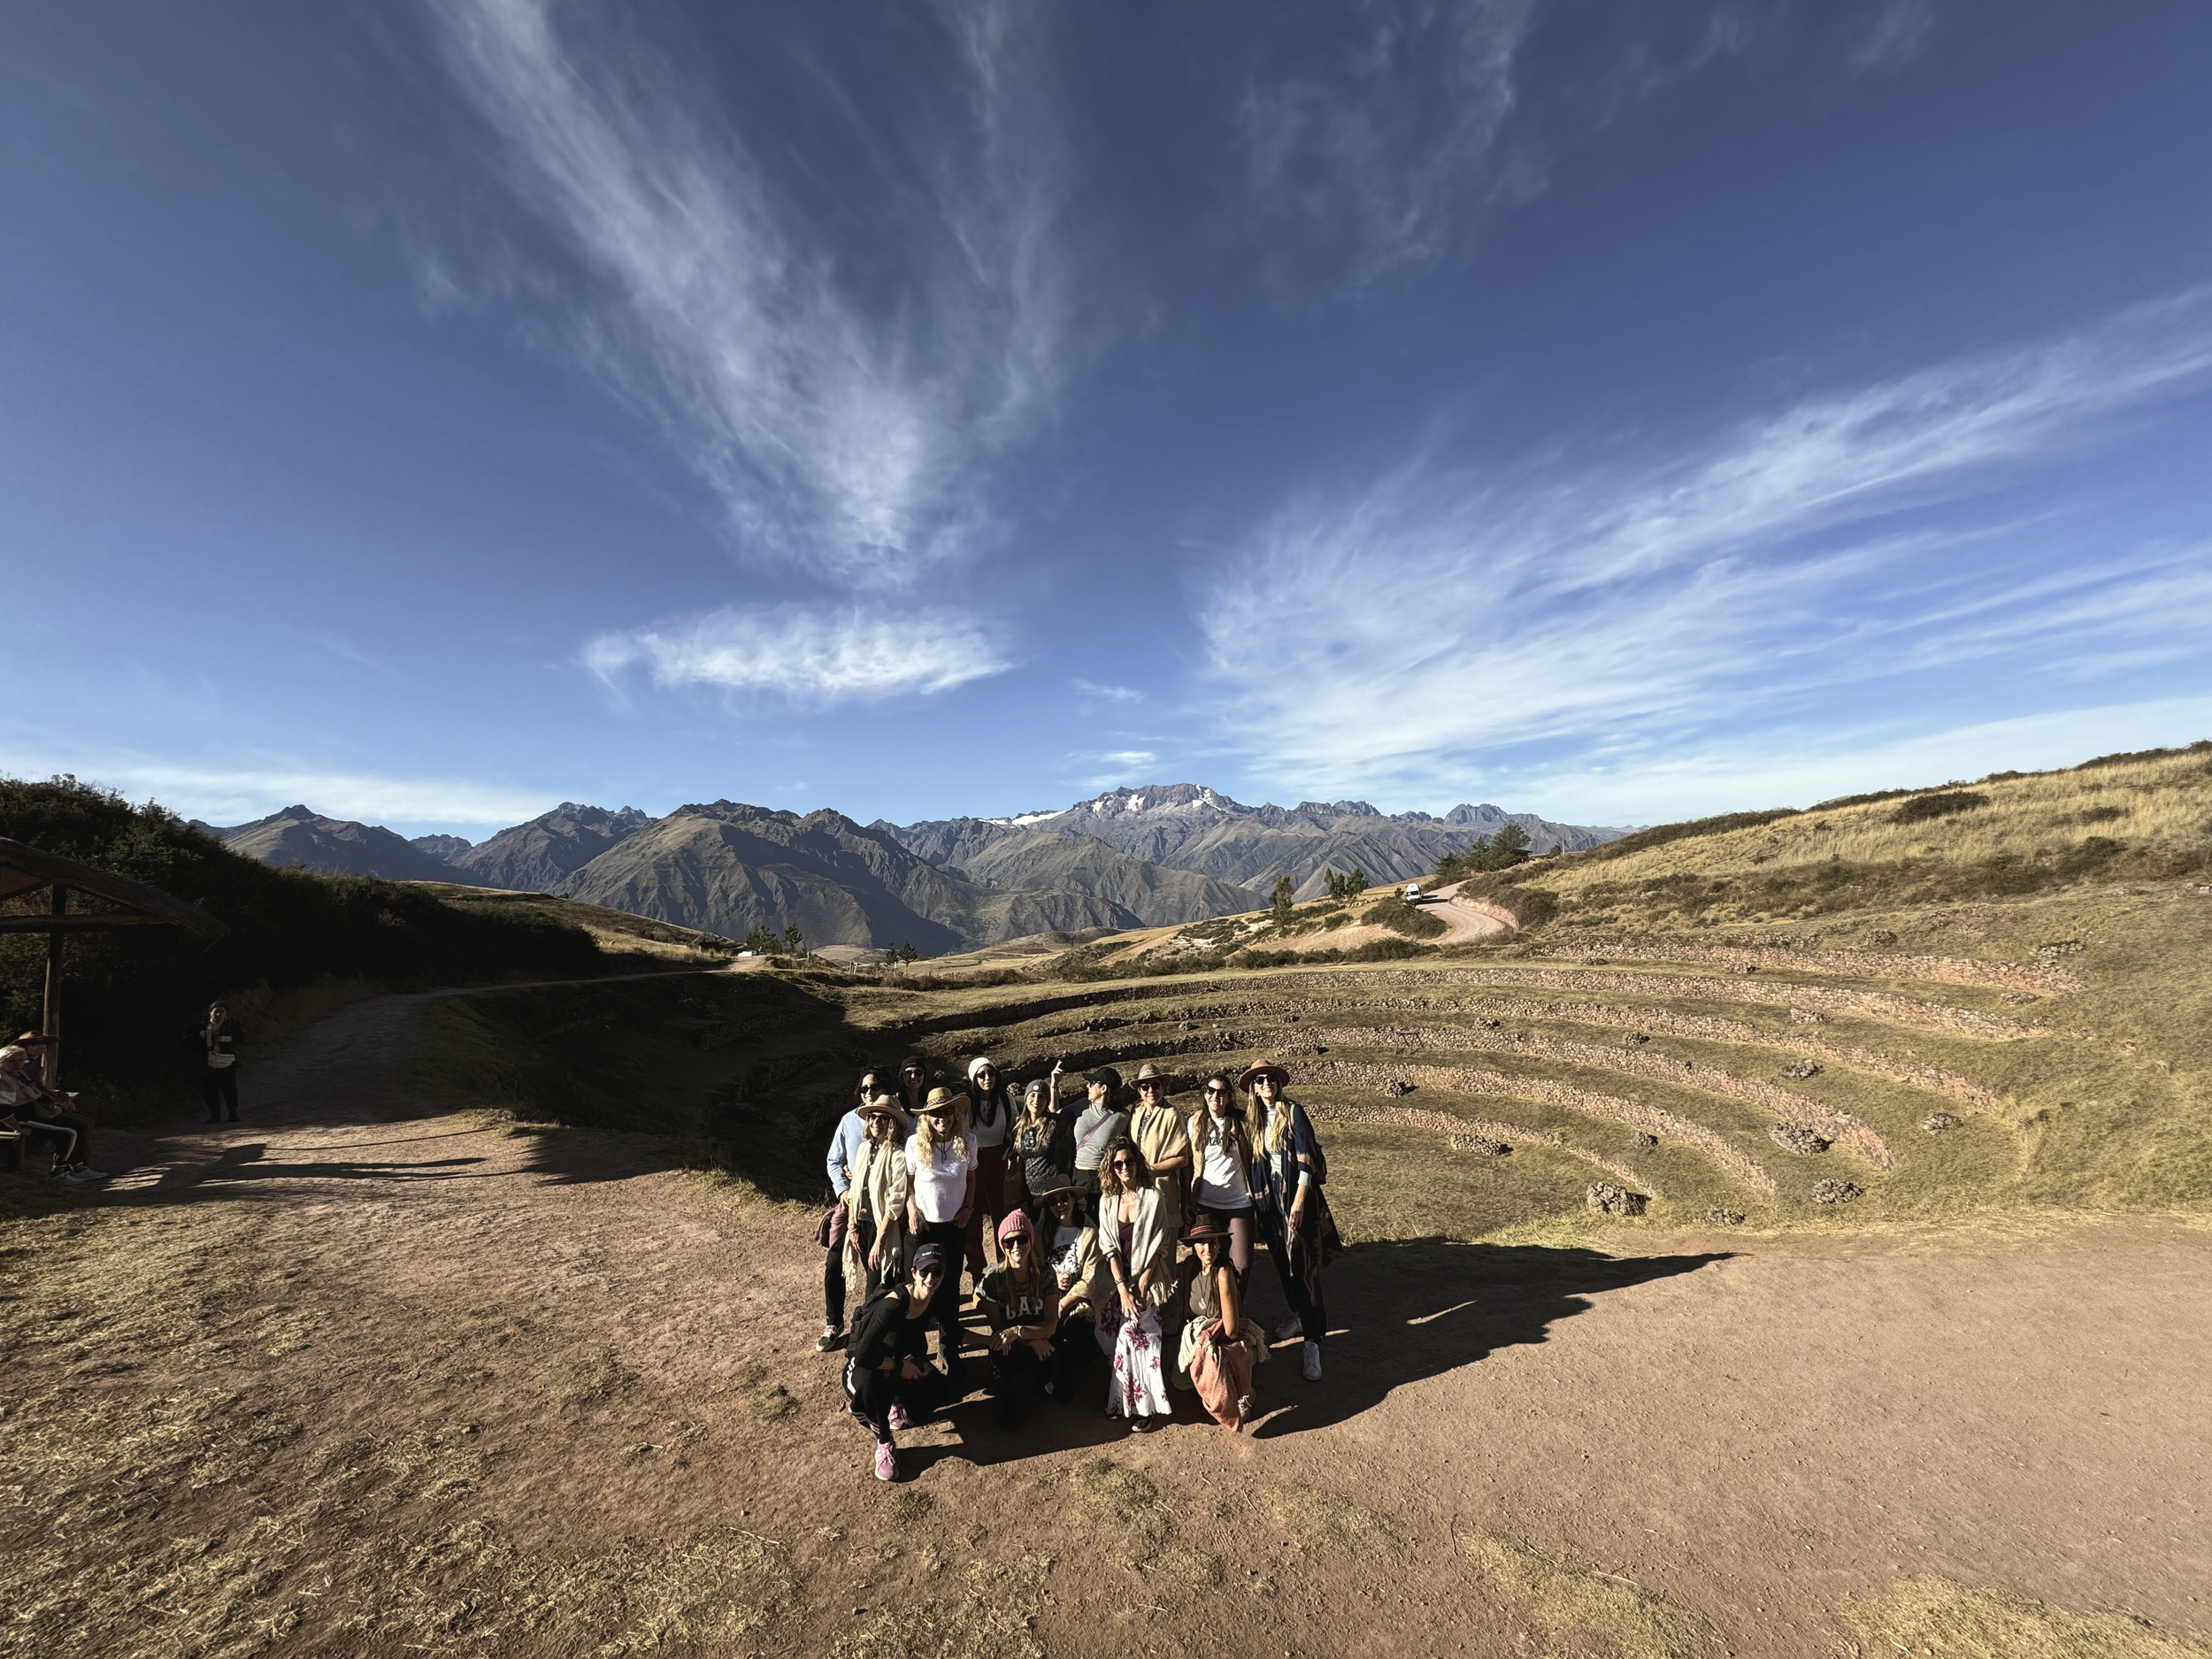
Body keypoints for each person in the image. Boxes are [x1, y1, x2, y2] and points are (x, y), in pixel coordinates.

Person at [1242, 1061, 1341, 1384]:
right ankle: (1298, 1314)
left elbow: (1307, 1159)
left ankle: (1313, 1339)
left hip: (1296, 1197)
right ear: (1254, 1087)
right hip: (1269, 1200)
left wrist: (1299, 1202)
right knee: (1282, 1261)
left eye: (1271, 1078)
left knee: (1304, 1265)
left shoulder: (1292, 1111)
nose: (1267, 1083)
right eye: (1261, 1080)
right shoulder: (1253, 1121)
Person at [843, 1241, 953, 1482]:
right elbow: (863, 1354)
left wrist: (995, 1339)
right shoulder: (893, 1304)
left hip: (898, 1362)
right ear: (913, 1273)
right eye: (924, 1271)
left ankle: (897, 1405)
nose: (931, 1278)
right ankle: (884, 1442)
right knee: (869, 1384)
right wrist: (899, 1366)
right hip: (866, 1363)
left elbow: (955, 1331)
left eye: (938, 1271)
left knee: (941, 1389)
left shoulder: (934, 1297)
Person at [1096, 1135, 1173, 1432]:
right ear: (1111, 1169)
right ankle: (1120, 1398)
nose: (1124, 1167)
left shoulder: (1154, 1199)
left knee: (1136, 1336)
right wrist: (1121, 1289)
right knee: (1105, 1333)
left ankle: (1145, 1407)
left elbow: (1160, 1247)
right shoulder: (1106, 1202)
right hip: (1116, 1281)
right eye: (1118, 1163)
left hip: (1148, 1279)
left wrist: (1139, 1286)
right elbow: (1109, 1249)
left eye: (1129, 1161)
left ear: (1137, 1163)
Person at [903, 1086, 977, 1377]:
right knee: (918, 1291)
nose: (942, 1117)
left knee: (949, 1290)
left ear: (955, 1113)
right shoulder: (914, 1144)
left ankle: (950, 1351)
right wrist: (911, 1209)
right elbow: (909, 1181)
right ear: (927, 1117)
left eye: (947, 1111)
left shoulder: (968, 1141)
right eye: (935, 1112)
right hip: (923, 1228)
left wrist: (969, 1209)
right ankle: (917, 1354)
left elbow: (972, 1177)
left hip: (953, 1226)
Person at [1172, 1218, 1267, 1431]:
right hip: (1201, 1335)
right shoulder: (1190, 1266)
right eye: (1202, 1243)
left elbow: (1232, 1330)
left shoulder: (1223, 1274)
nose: (1208, 1249)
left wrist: (1206, 1341)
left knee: (1212, 1372)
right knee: (1181, 1381)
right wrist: (1190, 1341)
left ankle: (1243, 1391)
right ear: (1193, 1246)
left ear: (1220, 1244)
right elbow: (1186, 1312)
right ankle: (1213, 1385)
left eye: (1213, 1243)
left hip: (1225, 1339)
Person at [819, 1067, 889, 1351]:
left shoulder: (895, 1120)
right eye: (864, 1089)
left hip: (880, 1207)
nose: (869, 1092)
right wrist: (843, 1190)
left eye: (874, 1087)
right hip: (851, 1204)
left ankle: (867, 1330)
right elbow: (834, 1160)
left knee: (876, 1268)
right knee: (834, 1265)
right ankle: (833, 1323)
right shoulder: (848, 1121)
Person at [974, 1210, 1060, 1427]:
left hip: (1037, 1337)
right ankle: (1007, 1398)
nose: (1016, 1246)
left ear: (1030, 1239)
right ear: (1002, 1245)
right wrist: (1031, 1339)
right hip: (1017, 1344)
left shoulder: (1047, 1273)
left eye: (1021, 1238)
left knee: (1063, 1391)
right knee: (997, 1349)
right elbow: (1000, 1330)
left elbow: (1051, 1324)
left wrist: (1020, 1331)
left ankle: (1045, 1380)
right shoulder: (993, 1280)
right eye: (1009, 1241)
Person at [0, 1036, 104, 1184]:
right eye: (11, 1061)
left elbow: (36, 1092)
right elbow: (2, 1111)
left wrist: (57, 1098)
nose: (17, 1064)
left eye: (20, 1061)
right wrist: (18, 1128)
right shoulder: (2, 1079)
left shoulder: (17, 1074)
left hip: (32, 1112)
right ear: (1, 1062)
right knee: (69, 1132)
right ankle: (58, 1174)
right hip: (21, 1117)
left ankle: (78, 1168)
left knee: (79, 1126)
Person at [1187, 1071, 1259, 1283]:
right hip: (1205, 1203)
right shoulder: (1195, 1122)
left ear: (1228, 1097)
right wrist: (1186, 1200)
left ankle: (1234, 1312)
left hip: (1239, 1202)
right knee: (1208, 1263)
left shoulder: (1242, 1122)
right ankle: (1212, 1311)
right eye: (1210, 1091)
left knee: (1241, 1264)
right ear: (1204, 1094)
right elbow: (1189, 1162)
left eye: (1221, 1092)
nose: (1215, 1096)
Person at [842, 1094, 911, 1310]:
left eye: (883, 1118)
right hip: (860, 1225)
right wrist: (851, 1226)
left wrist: (880, 1241)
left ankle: (862, 1336)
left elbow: (895, 1202)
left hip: (881, 1228)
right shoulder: (863, 1149)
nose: (875, 1122)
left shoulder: (898, 1155)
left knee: (874, 1291)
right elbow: (854, 1190)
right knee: (878, 1285)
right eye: (872, 1117)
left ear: (892, 1124)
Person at [1036, 1181, 1102, 1397]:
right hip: (1047, 1295)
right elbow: (1034, 1266)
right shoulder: (1041, 1231)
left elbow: (1091, 1277)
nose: (1059, 1205)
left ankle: (1084, 1357)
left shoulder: (1089, 1232)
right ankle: (1054, 1377)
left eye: (1064, 1198)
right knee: (1046, 1328)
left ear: (1074, 1199)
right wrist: (1053, 1279)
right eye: (1053, 1202)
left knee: (1073, 1324)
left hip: (1077, 1300)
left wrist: (1064, 1302)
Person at [1128, 1064, 1193, 1246]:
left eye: (1155, 1086)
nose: (1151, 1091)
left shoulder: (1171, 1114)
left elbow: (1183, 1157)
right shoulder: (1136, 1111)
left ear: (1163, 1088)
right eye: (1145, 1087)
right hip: (1137, 1186)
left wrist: (1150, 1169)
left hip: (1161, 1187)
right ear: (1139, 1091)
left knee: (1163, 1246)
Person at [963, 1057, 1014, 1281]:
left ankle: (1007, 1266)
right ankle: (976, 1272)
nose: (987, 1079)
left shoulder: (1005, 1099)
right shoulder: (965, 1103)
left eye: (990, 1074)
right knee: (972, 1218)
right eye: (981, 1075)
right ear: (974, 1078)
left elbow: (1015, 1127)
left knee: (1002, 1215)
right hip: (973, 1163)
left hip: (999, 1160)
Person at [1009, 1063, 1078, 1226]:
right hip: (1029, 1193)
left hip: (1052, 1193)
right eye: (1032, 1095)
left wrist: (1054, 1085)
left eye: (1042, 1096)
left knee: (1052, 1231)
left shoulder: (1053, 1124)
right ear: (1026, 1099)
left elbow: (1055, 1110)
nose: (1036, 1100)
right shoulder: (1018, 1125)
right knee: (1036, 1233)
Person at [1071, 1066, 1128, 1199]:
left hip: (1104, 1177)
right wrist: (1054, 1087)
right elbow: (1055, 1115)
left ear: (1103, 1088)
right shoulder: (1081, 1106)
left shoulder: (1122, 1117)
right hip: (1079, 1176)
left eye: (1092, 1083)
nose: (1087, 1086)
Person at [201, 1001, 242, 1124]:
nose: (218, 1014)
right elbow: (188, 1041)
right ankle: (215, 1114)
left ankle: (232, 1112)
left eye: (221, 1011)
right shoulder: (203, 1026)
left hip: (227, 1060)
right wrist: (201, 1036)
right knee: (209, 1089)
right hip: (207, 1061)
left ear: (226, 1013)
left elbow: (241, 1038)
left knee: (229, 1088)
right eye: (216, 1011)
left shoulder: (232, 1025)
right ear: (210, 1012)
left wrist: (224, 1039)